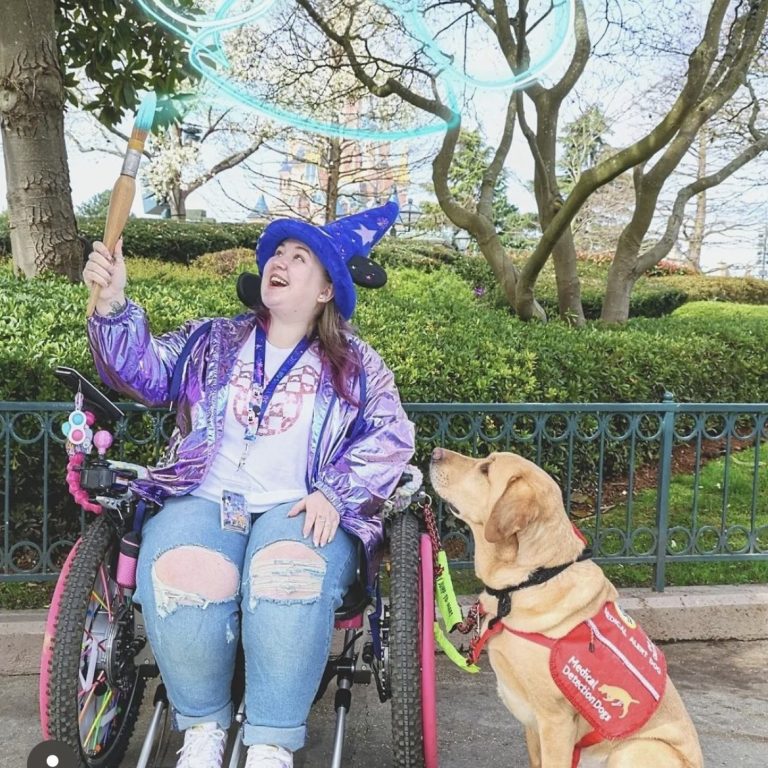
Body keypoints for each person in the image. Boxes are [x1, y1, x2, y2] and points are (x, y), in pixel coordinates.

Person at [82, 201, 415, 768]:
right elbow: (145, 374)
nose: (279, 262)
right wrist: (112, 302)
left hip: (300, 508)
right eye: (276, 253)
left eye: (298, 256)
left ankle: (269, 743)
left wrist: (337, 491)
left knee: (287, 573)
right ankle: (203, 731)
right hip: (204, 498)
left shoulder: (357, 364)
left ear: (327, 290)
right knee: (183, 570)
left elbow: (391, 434)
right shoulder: (213, 341)